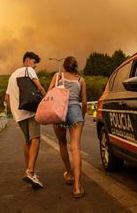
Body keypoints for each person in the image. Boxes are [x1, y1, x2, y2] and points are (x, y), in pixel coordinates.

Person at [5, 51, 46, 188]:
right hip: (30, 110)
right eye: (34, 63)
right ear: (28, 60)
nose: (34, 67)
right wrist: (47, 100)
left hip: (19, 114)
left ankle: (29, 172)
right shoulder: (28, 70)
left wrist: (14, 113)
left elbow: (7, 98)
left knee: (28, 141)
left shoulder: (12, 76)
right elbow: (39, 87)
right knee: (36, 139)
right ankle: (30, 171)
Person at [48, 56, 87, 198]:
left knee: (62, 142)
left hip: (59, 111)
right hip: (75, 110)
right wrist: (81, 117)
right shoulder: (80, 80)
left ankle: (69, 174)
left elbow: (49, 94)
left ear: (64, 66)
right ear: (75, 66)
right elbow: (84, 102)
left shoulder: (57, 76)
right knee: (75, 148)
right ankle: (77, 187)